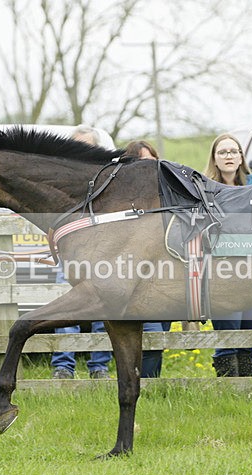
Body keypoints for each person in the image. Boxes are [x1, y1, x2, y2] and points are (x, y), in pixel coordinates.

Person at [52, 125, 112, 379]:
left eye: (87, 146)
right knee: (67, 308)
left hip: (104, 252)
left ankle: (99, 367)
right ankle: (63, 367)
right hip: (70, 253)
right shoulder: (60, 179)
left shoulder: (109, 178)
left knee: (103, 310)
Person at [204, 133, 252, 377]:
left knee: (249, 335)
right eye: (222, 152)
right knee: (228, 336)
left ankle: (247, 387)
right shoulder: (204, 188)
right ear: (215, 159)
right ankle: (228, 388)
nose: (228, 156)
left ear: (241, 157)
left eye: (233, 151)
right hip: (223, 272)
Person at [121, 139, 168, 378]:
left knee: (159, 340)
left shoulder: (166, 194)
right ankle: (143, 385)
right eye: (142, 163)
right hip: (136, 283)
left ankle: (152, 385)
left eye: (152, 162)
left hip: (166, 280)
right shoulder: (120, 202)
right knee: (151, 339)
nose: (149, 168)